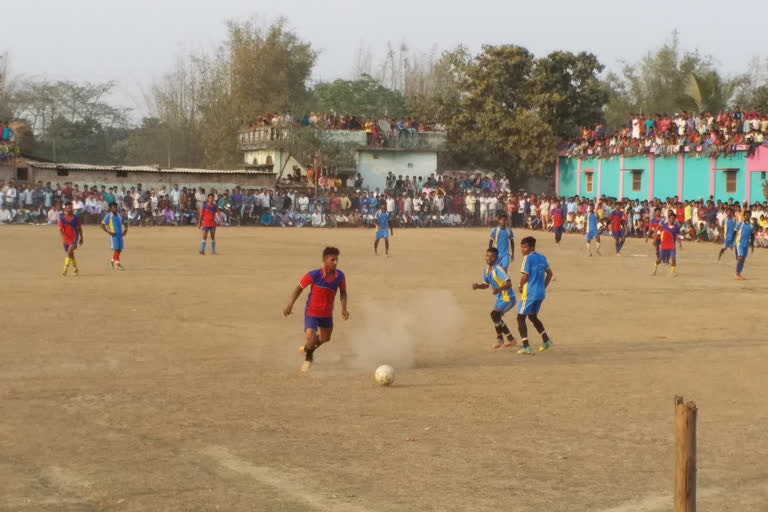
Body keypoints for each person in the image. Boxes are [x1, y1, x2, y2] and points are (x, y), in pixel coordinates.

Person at [283, 246, 349, 372]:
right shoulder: (314, 274)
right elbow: (298, 288)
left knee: (325, 338)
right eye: (332, 260)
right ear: (324, 261)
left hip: (327, 313)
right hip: (312, 312)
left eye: (336, 260)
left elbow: (343, 292)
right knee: (311, 338)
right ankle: (309, 358)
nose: (335, 262)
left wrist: (344, 309)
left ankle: (307, 348)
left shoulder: (340, 276)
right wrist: (290, 305)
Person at [472, 247, 517, 349]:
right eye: (487, 256)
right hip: (499, 298)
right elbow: (486, 284)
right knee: (496, 317)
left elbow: (509, 283)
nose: (489, 258)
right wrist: (478, 286)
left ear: (496, 258)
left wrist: (498, 290)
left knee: (494, 314)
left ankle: (500, 339)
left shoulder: (498, 269)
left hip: (508, 298)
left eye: (492, 256)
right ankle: (510, 339)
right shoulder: (486, 270)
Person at [516, 236, 554, 355]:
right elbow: (549, 273)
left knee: (520, 317)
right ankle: (546, 340)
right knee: (532, 316)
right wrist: (543, 286)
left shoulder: (527, 259)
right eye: (521, 247)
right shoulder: (542, 257)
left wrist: (520, 286)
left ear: (531, 247)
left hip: (530, 293)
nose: (522, 250)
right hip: (540, 293)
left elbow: (525, 276)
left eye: (525, 247)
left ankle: (526, 346)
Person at [58, 201, 84, 277]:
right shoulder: (62, 219)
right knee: (71, 254)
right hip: (66, 239)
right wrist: (63, 238)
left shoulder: (76, 218)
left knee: (69, 251)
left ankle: (65, 270)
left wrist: (82, 238)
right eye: (68, 208)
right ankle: (76, 270)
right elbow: (60, 229)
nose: (70, 209)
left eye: (71, 208)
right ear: (65, 209)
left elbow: (80, 228)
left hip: (74, 238)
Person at [652, 211, 681, 277]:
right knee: (659, 259)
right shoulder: (664, 226)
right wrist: (655, 240)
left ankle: (673, 272)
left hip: (672, 246)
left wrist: (679, 243)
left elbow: (678, 235)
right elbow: (659, 232)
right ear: (669, 218)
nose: (672, 219)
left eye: (673, 218)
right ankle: (655, 269)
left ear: (675, 219)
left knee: (673, 258)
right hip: (664, 245)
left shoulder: (676, 227)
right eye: (671, 218)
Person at [101, 202, 128, 270]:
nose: (115, 209)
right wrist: (109, 232)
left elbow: (125, 223)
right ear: (110, 209)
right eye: (113, 207)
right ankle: (118, 264)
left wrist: (125, 230)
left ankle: (112, 262)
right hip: (114, 236)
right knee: (116, 250)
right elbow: (102, 225)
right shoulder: (109, 216)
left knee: (119, 250)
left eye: (116, 207)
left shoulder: (119, 215)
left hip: (120, 235)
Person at [734, 210, 755, 280]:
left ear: (750, 216)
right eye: (746, 215)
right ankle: (737, 274)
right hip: (739, 243)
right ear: (744, 216)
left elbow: (752, 236)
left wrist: (752, 245)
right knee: (741, 258)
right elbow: (735, 232)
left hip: (746, 244)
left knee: (743, 259)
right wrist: (732, 242)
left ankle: (738, 273)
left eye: (748, 215)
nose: (747, 216)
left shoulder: (751, 225)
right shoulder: (740, 224)